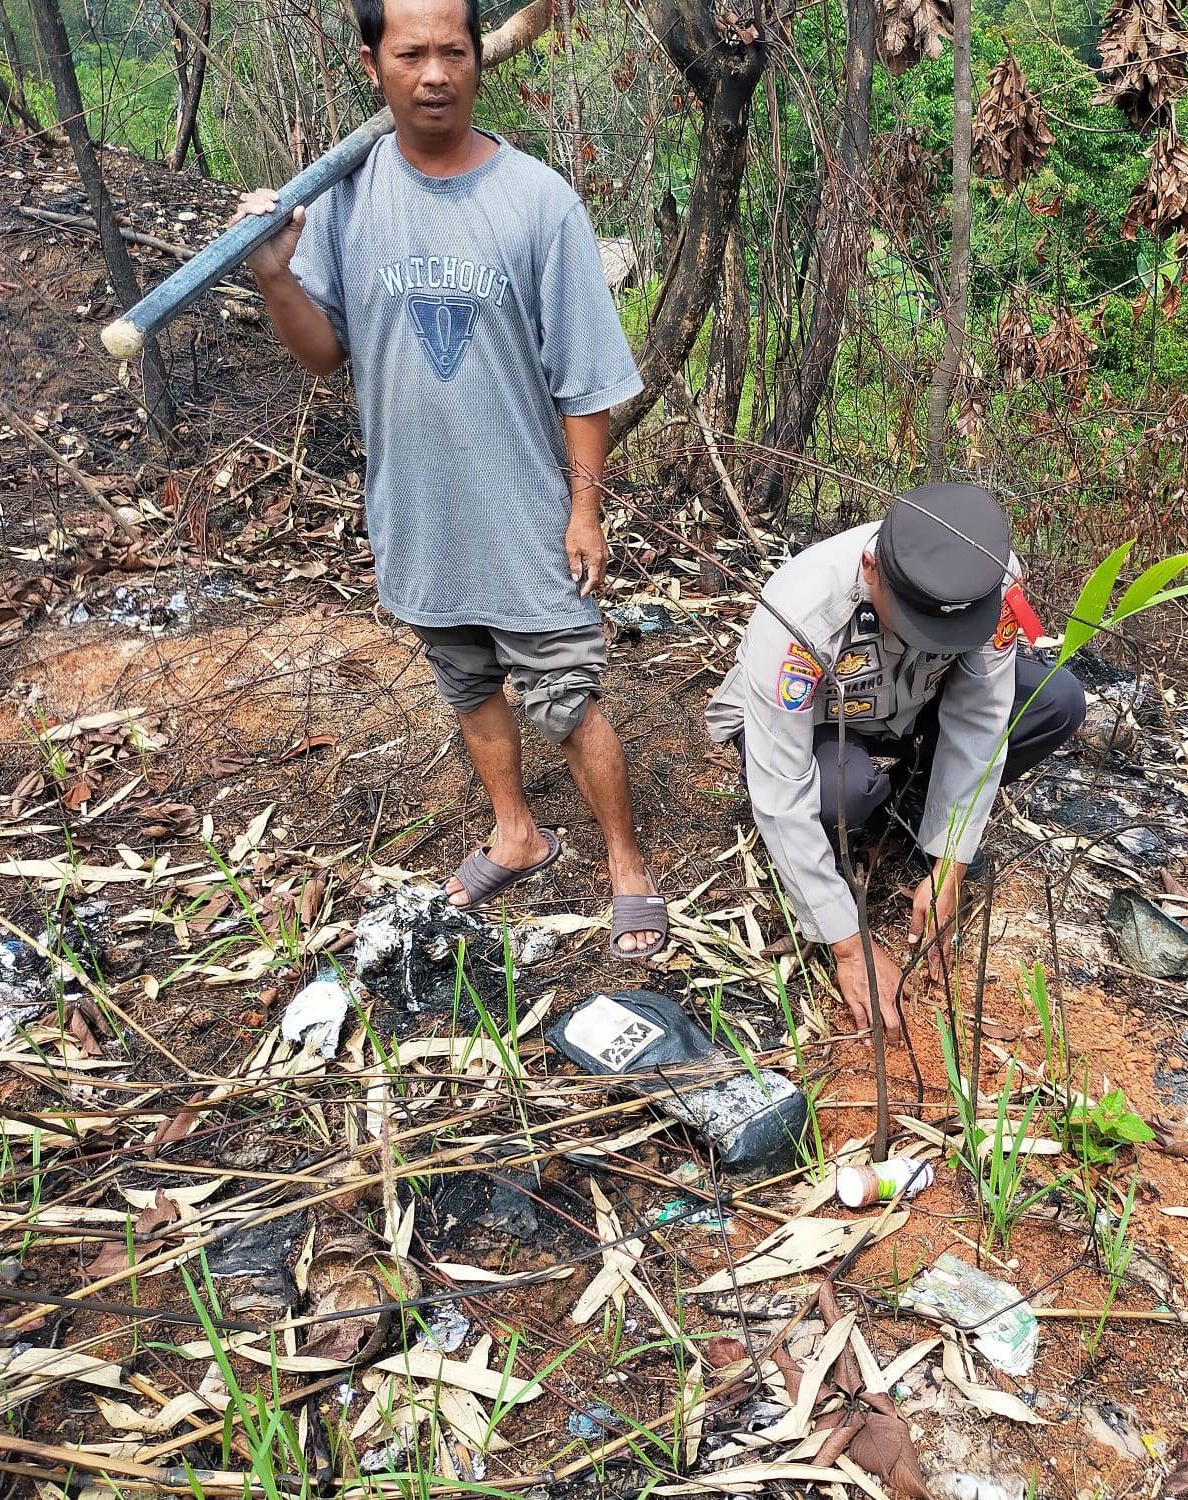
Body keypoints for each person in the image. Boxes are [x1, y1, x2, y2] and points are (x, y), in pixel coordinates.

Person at [232, 0, 667, 956]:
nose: (434, 73)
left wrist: (584, 508)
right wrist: (274, 278)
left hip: (523, 514)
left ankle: (628, 865)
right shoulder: (345, 195)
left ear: (478, 60)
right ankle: (517, 832)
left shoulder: (540, 200)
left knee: (565, 693)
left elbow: (587, 374)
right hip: (417, 511)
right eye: (411, 53)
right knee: (467, 682)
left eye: (452, 52)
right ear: (372, 63)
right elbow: (322, 354)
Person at [706, 483, 1085, 1038]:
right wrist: (848, 942)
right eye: (917, 626)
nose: (933, 642)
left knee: (1055, 702)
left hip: (912, 708)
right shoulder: (801, 611)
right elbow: (781, 787)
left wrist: (950, 860)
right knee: (842, 791)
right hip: (822, 722)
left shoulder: (989, 579)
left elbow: (981, 719)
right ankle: (871, 805)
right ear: (871, 569)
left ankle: (909, 807)